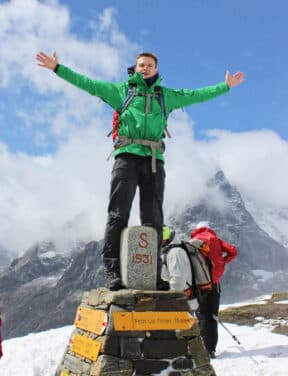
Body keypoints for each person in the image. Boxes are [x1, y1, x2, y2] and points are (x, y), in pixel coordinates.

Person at [36, 50, 244, 290]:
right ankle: (113, 271)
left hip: (154, 160)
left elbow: (195, 95)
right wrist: (58, 68)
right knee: (118, 214)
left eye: (150, 65)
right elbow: (88, 84)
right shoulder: (122, 91)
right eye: (141, 65)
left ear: (156, 70)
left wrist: (225, 86)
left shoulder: (166, 96)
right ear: (134, 69)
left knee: (153, 220)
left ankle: (153, 274)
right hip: (126, 157)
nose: (145, 68)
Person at [190, 221, 238, 357]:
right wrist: (224, 261)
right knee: (213, 316)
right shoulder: (216, 240)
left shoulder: (193, 241)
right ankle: (211, 349)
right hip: (215, 284)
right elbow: (233, 251)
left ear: (197, 229)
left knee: (202, 315)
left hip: (200, 285)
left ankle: (204, 349)